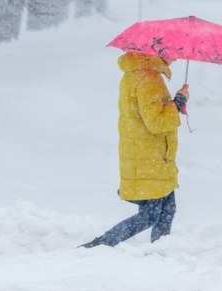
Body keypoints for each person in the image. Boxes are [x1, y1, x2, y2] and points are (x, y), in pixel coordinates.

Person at [81, 52, 189, 248]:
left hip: (146, 153)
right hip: (149, 155)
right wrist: (179, 101)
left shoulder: (136, 73)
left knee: (167, 210)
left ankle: (161, 252)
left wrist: (173, 105)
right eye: (174, 52)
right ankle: (100, 245)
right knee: (150, 216)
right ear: (160, 51)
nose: (177, 58)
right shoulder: (149, 78)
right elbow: (156, 122)